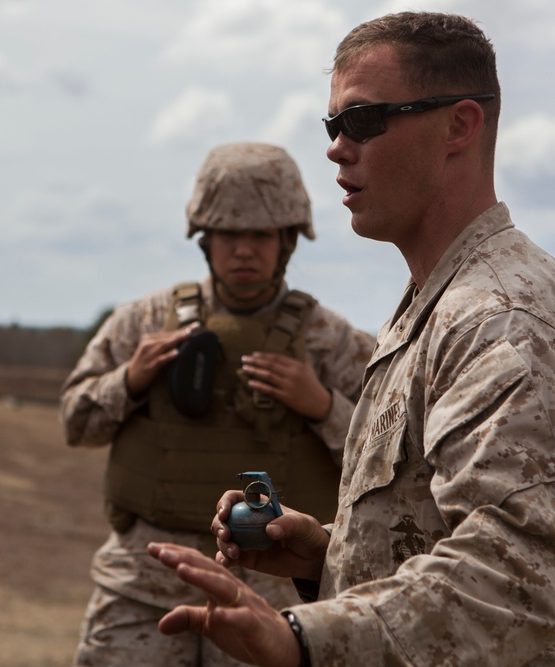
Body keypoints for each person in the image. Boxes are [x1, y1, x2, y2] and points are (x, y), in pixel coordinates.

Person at [147, 12, 555, 667]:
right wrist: (329, 555)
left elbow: (523, 571)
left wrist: (305, 637)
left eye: (363, 120)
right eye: (333, 126)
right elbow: (440, 531)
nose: (338, 148)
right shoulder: (437, 303)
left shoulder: (502, 318)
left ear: (459, 125)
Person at [60, 142, 375, 665]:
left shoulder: (330, 341)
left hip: (273, 598)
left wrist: (322, 406)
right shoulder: (146, 322)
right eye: (229, 235)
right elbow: (76, 423)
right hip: (143, 583)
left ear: (288, 241)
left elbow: (387, 464)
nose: (243, 250)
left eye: (260, 235)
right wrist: (129, 381)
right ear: (205, 240)